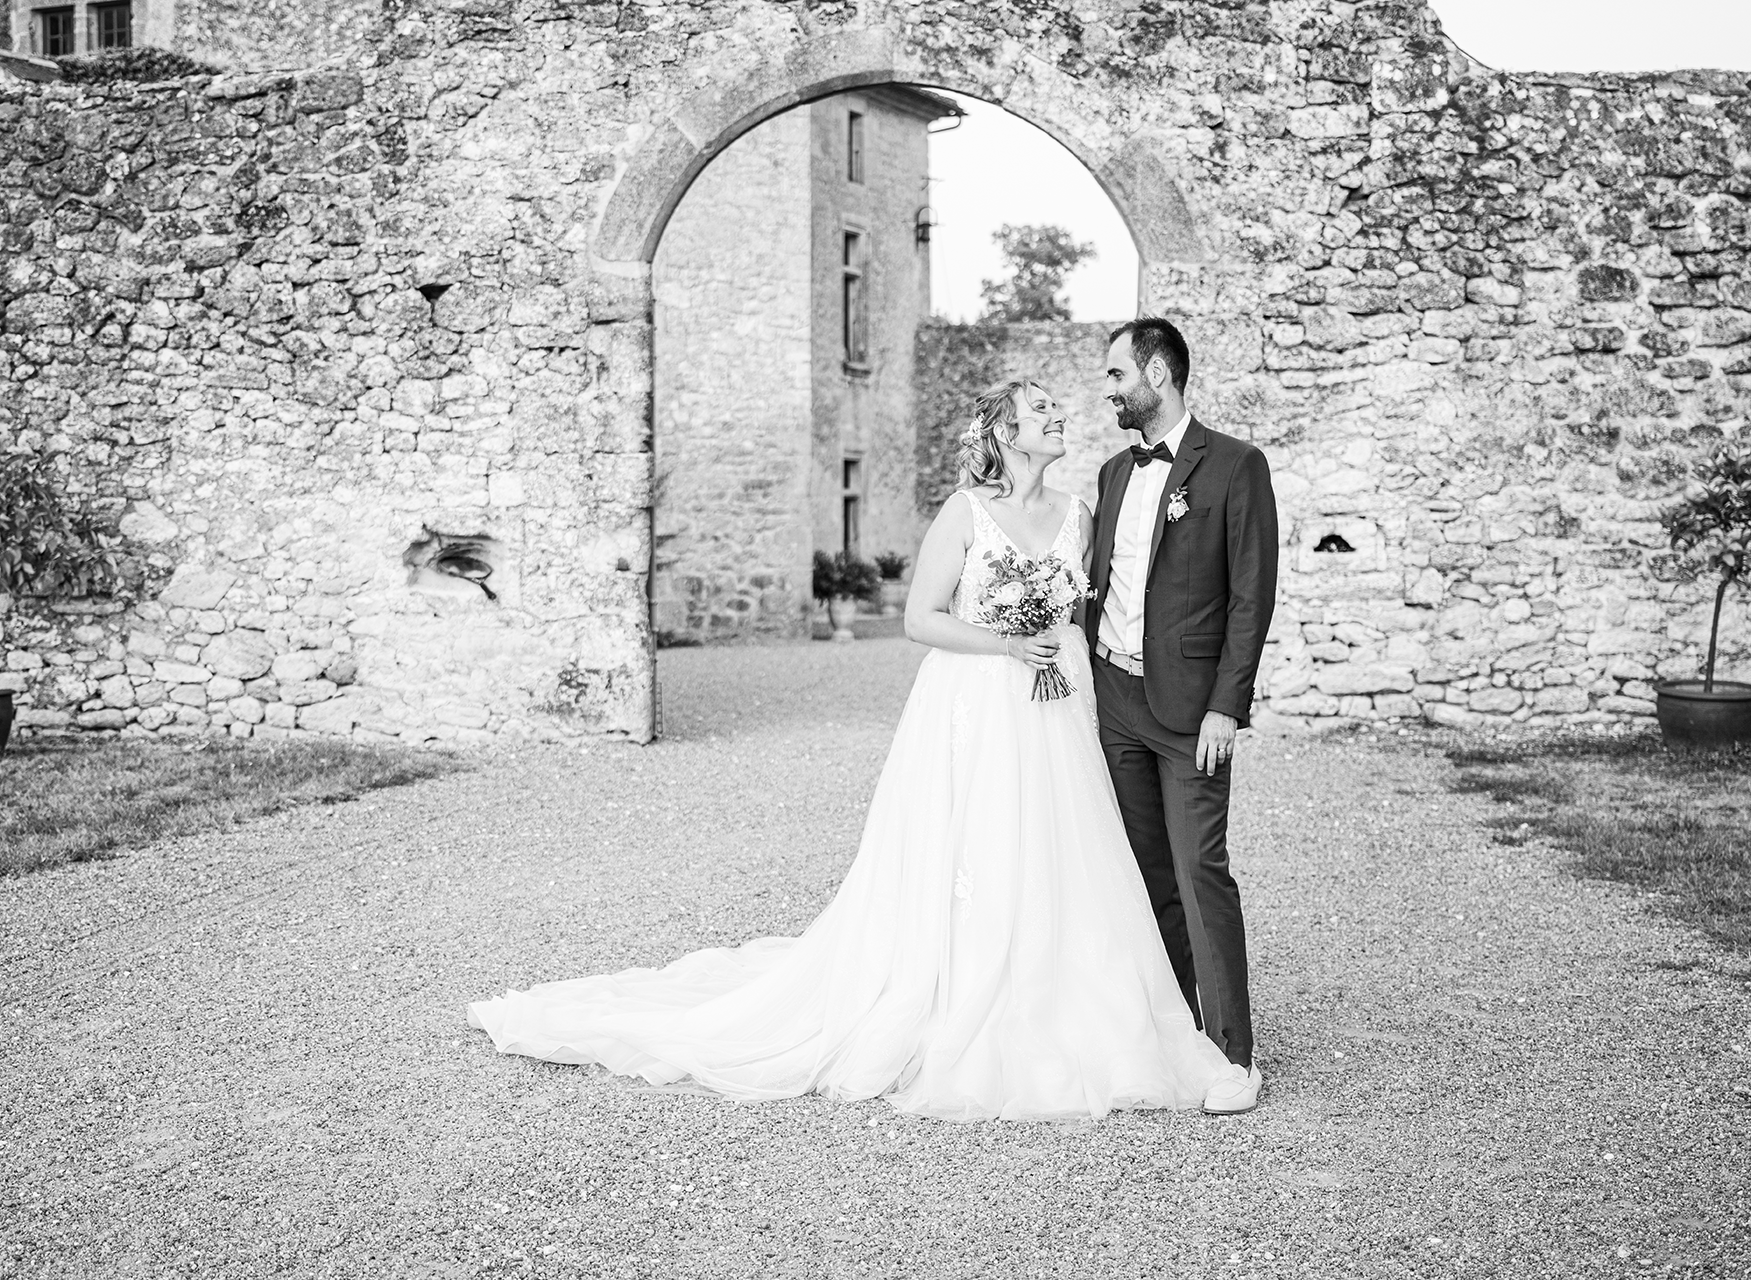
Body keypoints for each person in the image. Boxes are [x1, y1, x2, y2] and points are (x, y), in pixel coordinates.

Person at [469, 377, 1235, 1120]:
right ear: (1007, 433)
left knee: (1062, 843)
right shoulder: (965, 512)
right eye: (1042, 409)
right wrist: (1008, 642)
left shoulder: (1081, 512)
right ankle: (965, 989)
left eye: (1056, 407)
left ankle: (1061, 989)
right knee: (979, 841)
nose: (1059, 415)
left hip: (1056, 705)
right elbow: (920, 619)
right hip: (978, 701)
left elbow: (1093, 605)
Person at [1084, 317, 1280, 1115]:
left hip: (1191, 711)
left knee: (1200, 869)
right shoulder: (1111, 474)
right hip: (1115, 700)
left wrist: (1226, 707)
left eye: (1116, 374)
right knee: (1145, 873)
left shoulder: (1235, 465)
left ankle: (1233, 1055)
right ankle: (1174, 1034)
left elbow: (1250, 598)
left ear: (1157, 374)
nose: (1108, 390)